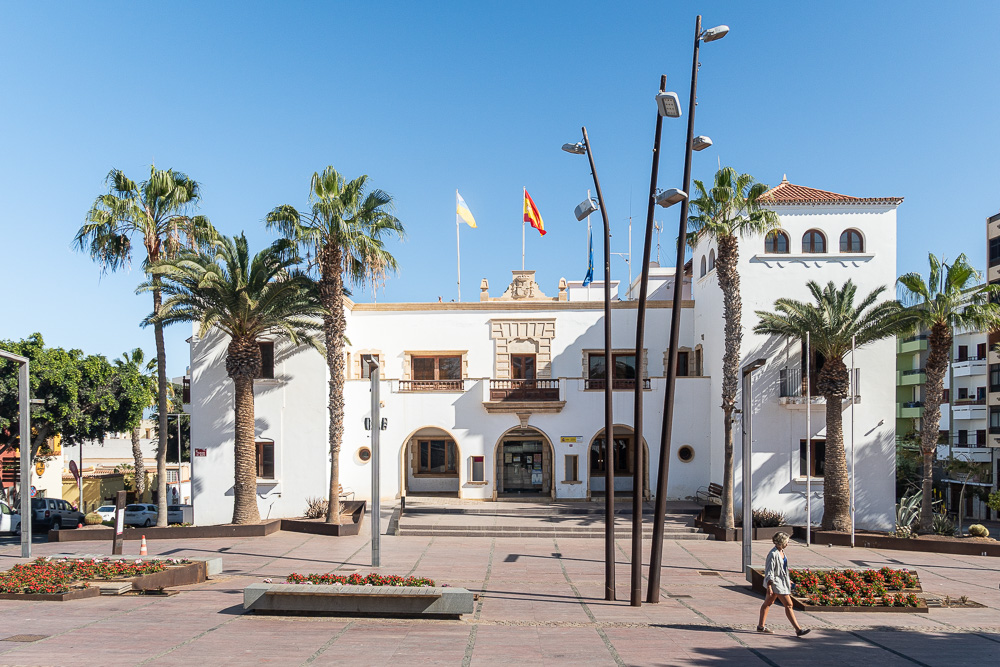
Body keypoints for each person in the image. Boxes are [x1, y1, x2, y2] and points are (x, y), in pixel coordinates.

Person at [758, 531, 810, 637]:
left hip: (781, 581)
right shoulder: (773, 554)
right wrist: (769, 586)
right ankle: (798, 630)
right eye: (786, 542)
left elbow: (783, 568)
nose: (788, 544)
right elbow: (769, 571)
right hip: (776, 583)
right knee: (789, 604)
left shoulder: (781, 552)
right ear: (781, 542)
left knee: (768, 603)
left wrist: (788, 580)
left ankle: (760, 626)